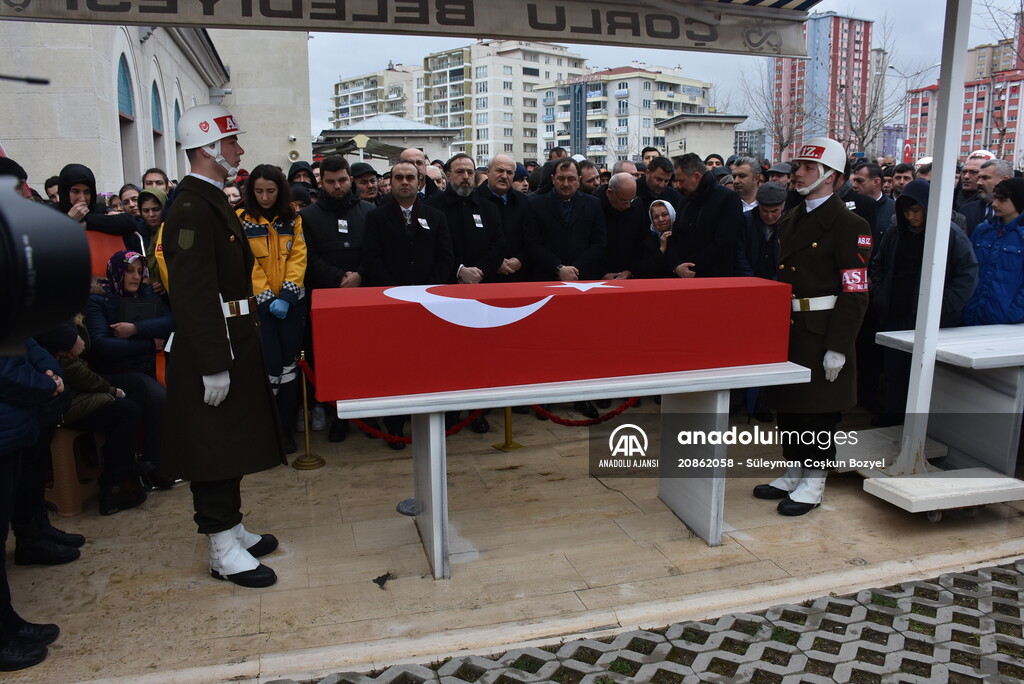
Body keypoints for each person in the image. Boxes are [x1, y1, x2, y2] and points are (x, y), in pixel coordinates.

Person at [162, 104, 284, 588]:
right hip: (212, 345)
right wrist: (213, 361)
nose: (239, 150)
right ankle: (219, 547)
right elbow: (192, 292)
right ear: (210, 147)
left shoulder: (208, 200)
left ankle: (230, 526)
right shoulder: (192, 206)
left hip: (231, 335)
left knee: (228, 440)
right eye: (231, 142)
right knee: (213, 445)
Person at [756, 137, 871, 516]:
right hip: (792, 325)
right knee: (790, 406)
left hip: (823, 330)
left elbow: (855, 291)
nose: (798, 173)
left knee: (818, 412)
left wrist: (839, 345)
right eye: (799, 167)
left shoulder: (850, 224)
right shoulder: (793, 218)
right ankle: (794, 471)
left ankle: (815, 479)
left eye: (808, 168)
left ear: (832, 178)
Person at [870, 179, 977, 425]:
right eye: (906, 211)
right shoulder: (896, 233)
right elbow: (878, 264)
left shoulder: (950, 235)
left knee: (924, 374)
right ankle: (892, 419)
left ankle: (918, 426)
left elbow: (967, 274)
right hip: (894, 314)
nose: (910, 216)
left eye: (916, 210)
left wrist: (944, 305)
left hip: (930, 319)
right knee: (895, 372)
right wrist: (881, 293)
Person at [362, 160, 453, 446]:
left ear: (419, 181)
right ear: (390, 181)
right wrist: (396, 292)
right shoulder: (376, 218)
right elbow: (372, 259)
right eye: (398, 177)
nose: (404, 182)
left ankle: (432, 424)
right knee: (395, 367)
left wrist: (429, 290)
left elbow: (446, 257)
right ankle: (394, 426)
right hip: (392, 303)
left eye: (410, 177)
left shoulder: (436, 216)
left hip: (429, 302)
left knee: (431, 365)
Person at [85, 250, 176, 488]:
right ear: (117, 271)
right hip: (115, 371)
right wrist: (147, 342)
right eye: (129, 271)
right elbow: (101, 344)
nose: (136, 277)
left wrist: (135, 328)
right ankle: (154, 464)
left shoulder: (148, 292)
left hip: (148, 365)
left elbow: (171, 321)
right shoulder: (99, 299)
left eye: (139, 271)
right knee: (158, 397)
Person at [0, 339, 65, 672]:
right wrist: (46, 384)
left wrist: (47, 374)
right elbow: (5, 370)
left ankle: (7, 623)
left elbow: (22, 342)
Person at [301, 155, 375, 443]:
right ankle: (339, 418)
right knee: (334, 362)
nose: (337, 186)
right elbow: (309, 258)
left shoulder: (370, 211)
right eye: (330, 182)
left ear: (350, 179)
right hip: (328, 300)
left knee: (365, 358)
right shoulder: (307, 217)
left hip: (364, 297)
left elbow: (375, 251)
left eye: (342, 180)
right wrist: (337, 278)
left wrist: (359, 275)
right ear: (321, 182)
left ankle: (368, 414)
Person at [236, 164, 308, 455]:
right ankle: (266, 430)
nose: (265, 197)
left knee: (290, 369)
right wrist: (266, 299)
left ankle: (286, 428)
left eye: (271, 191)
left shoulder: (293, 217)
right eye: (259, 191)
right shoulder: (240, 219)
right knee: (269, 369)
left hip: (290, 305)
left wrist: (288, 296)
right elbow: (246, 264)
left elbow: (298, 256)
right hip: (259, 308)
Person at [667, 153, 743, 278]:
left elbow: (724, 242)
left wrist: (691, 265)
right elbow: (675, 237)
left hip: (714, 277)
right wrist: (676, 265)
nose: (679, 186)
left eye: (682, 181)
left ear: (697, 176)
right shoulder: (684, 201)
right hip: (683, 276)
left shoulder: (728, 198)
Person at [962, 177, 1024, 325]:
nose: (995, 204)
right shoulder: (983, 230)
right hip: (972, 313)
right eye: (995, 198)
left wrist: (1014, 312)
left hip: (1008, 320)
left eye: (1002, 200)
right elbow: (968, 269)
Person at [55, 163, 138, 251]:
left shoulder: (97, 209)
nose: (82, 198)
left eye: (87, 192)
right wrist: (69, 221)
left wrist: (86, 223)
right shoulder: (52, 213)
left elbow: (129, 222)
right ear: (65, 192)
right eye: (75, 192)